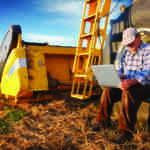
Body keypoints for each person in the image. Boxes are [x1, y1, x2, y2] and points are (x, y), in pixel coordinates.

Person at [94, 27, 150, 144]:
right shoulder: (126, 52)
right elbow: (122, 70)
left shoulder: (148, 50)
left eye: (131, 43)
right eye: (127, 44)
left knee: (129, 92)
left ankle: (126, 133)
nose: (129, 46)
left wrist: (130, 82)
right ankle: (103, 123)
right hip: (130, 83)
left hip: (145, 86)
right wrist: (118, 76)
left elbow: (147, 72)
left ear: (138, 38)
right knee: (108, 90)